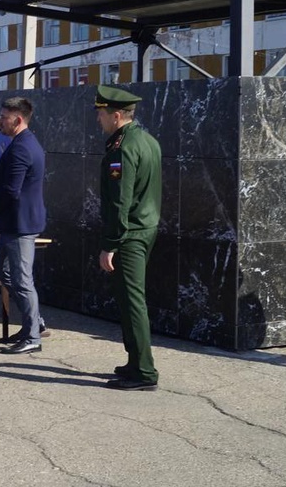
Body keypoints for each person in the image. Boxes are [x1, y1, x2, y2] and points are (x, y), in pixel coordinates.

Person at [95, 85, 162, 392]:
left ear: (117, 115)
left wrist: (110, 244)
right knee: (128, 298)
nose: (99, 120)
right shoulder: (147, 140)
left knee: (133, 302)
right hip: (143, 228)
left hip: (129, 234)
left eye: (102, 114)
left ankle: (144, 372)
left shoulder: (122, 148)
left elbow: (120, 201)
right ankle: (135, 362)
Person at [0, 97, 46, 355]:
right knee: (2, 270)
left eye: (4, 117)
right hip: (13, 222)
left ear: (18, 120)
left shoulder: (22, 148)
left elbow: (11, 191)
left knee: (22, 280)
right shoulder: (20, 143)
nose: (0, 121)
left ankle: (33, 335)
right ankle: (35, 322)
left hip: (20, 223)